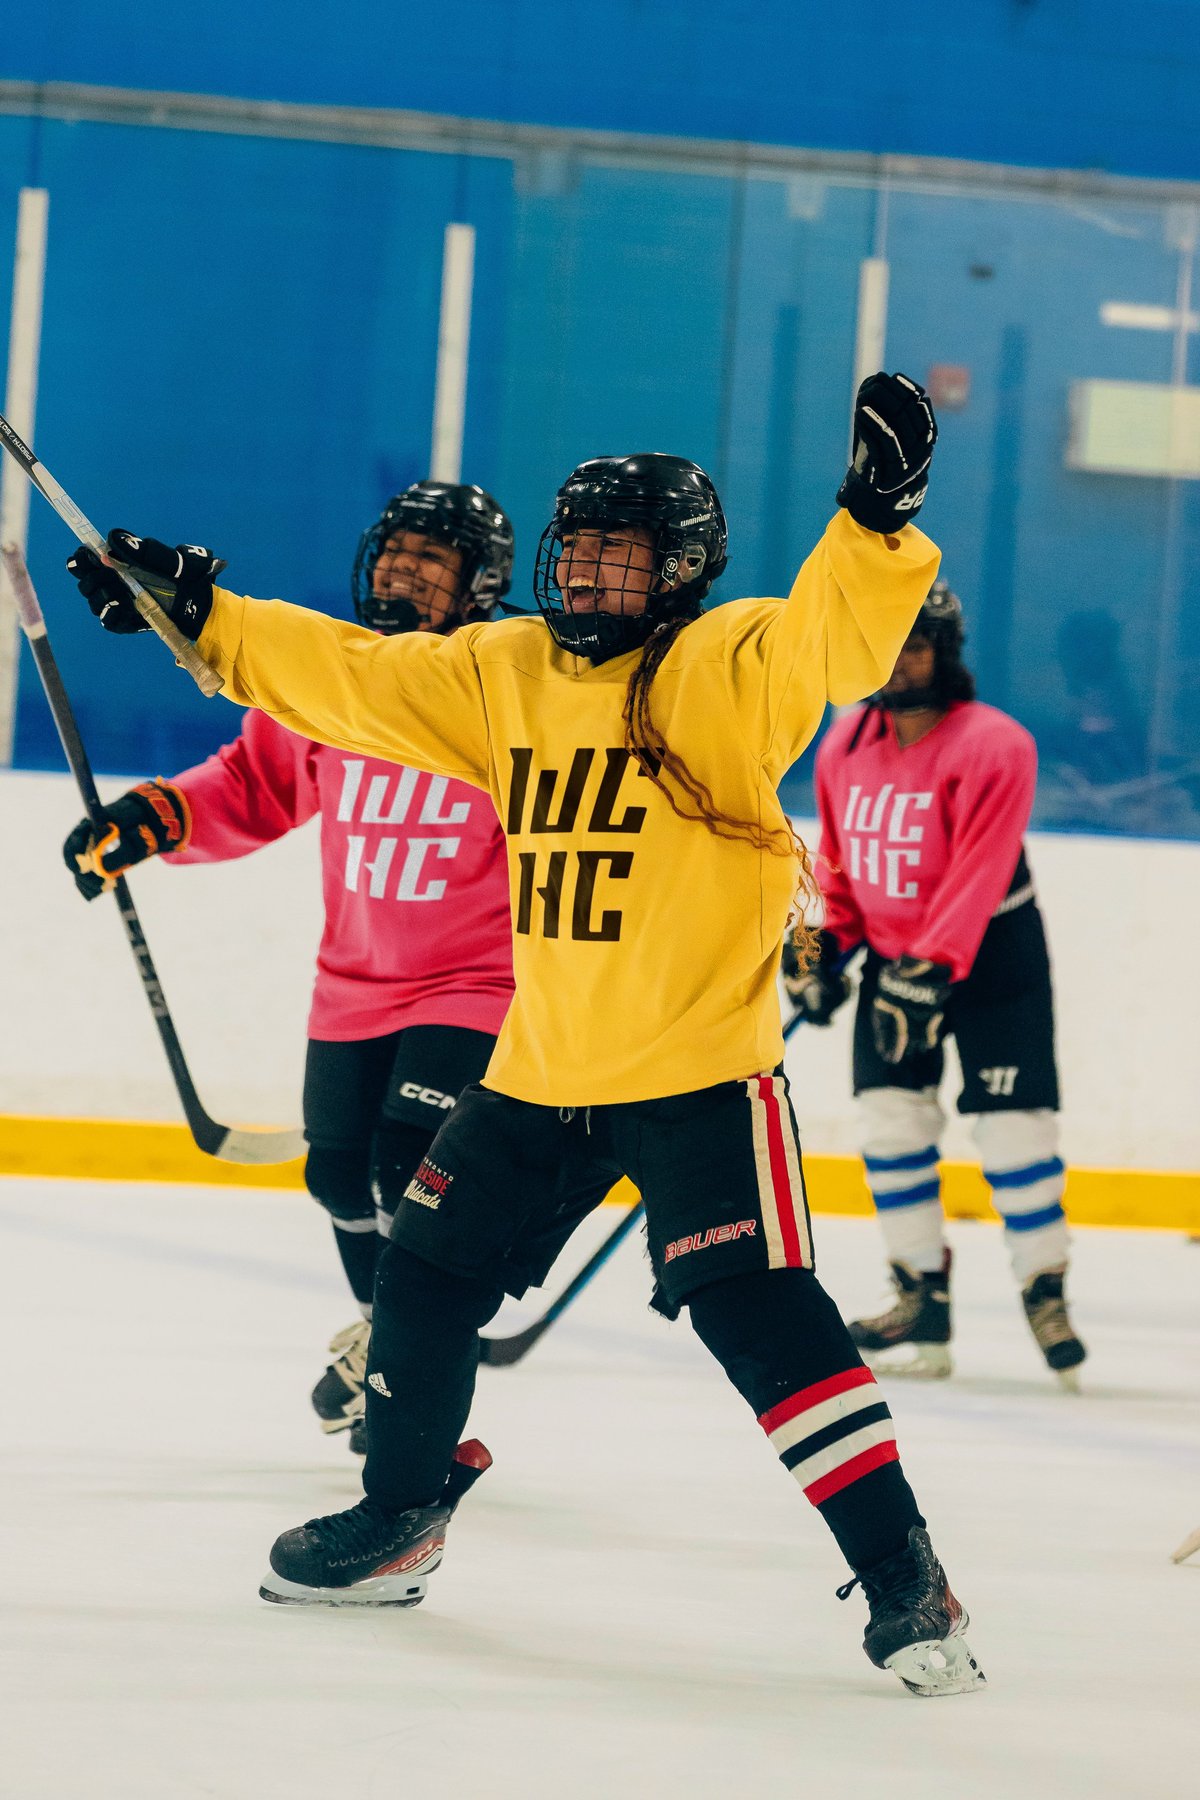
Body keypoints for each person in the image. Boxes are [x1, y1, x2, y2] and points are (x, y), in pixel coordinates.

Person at [68, 373, 987, 1697]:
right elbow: (354, 676)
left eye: (631, 552)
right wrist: (202, 615)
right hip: (537, 1075)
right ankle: (401, 1515)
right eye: (587, 547)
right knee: (418, 1284)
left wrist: (878, 516)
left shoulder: (725, 666)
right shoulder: (505, 669)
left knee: (767, 1327)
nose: (601, 571)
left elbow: (832, 642)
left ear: (682, 570)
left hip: (698, 1082)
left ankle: (904, 1573)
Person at [62, 483, 516, 1450]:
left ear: (482, 586)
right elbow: (253, 782)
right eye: (395, 553)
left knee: (409, 1169)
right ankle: (390, 1336)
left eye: (433, 560)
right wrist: (154, 817)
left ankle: (408, 1357)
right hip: (353, 981)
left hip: (479, 983)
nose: (404, 571)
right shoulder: (335, 680)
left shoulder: (504, 686)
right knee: (340, 1175)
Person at [783, 581, 1086, 1387]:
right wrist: (821, 942)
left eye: (914, 643)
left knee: (1014, 1127)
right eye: (884, 643)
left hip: (993, 958)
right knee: (889, 1124)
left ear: (945, 652)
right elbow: (843, 863)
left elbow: (978, 873)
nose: (898, 660)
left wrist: (929, 971)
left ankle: (1043, 1283)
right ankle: (920, 1293)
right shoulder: (847, 740)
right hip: (897, 956)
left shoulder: (995, 743)